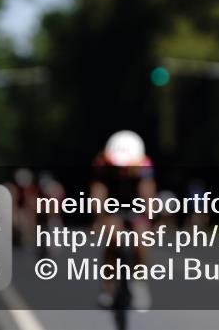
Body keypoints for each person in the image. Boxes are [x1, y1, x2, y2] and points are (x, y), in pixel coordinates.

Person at [90, 130, 156, 311]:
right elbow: (98, 191)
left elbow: (147, 191)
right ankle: (108, 285)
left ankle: (139, 283)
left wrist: (149, 214)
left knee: (141, 239)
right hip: (112, 206)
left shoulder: (144, 164)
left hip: (136, 206)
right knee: (112, 237)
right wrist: (99, 216)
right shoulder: (103, 163)